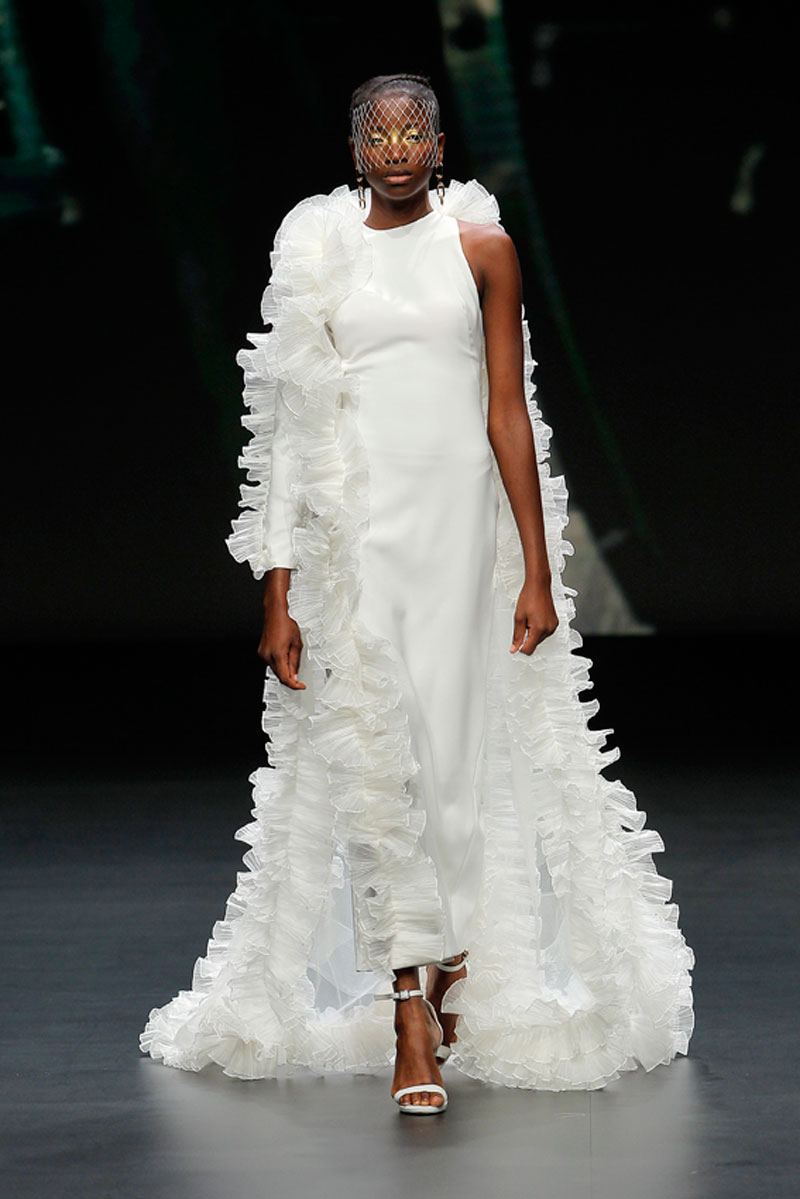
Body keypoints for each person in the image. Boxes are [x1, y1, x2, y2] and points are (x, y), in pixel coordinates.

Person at [140, 73, 695, 1117]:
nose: (395, 149)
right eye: (377, 133)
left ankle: (449, 969)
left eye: (412, 132)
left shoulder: (482, 249)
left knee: (453, 766)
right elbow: (291, 433)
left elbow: (506, 410)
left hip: (462, 541)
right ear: (355, 147)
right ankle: (408, 1005)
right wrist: (279, 590)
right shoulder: (316, 255)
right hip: (356, 544)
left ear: (438, 145)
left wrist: (537, 568)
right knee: (376, 764)